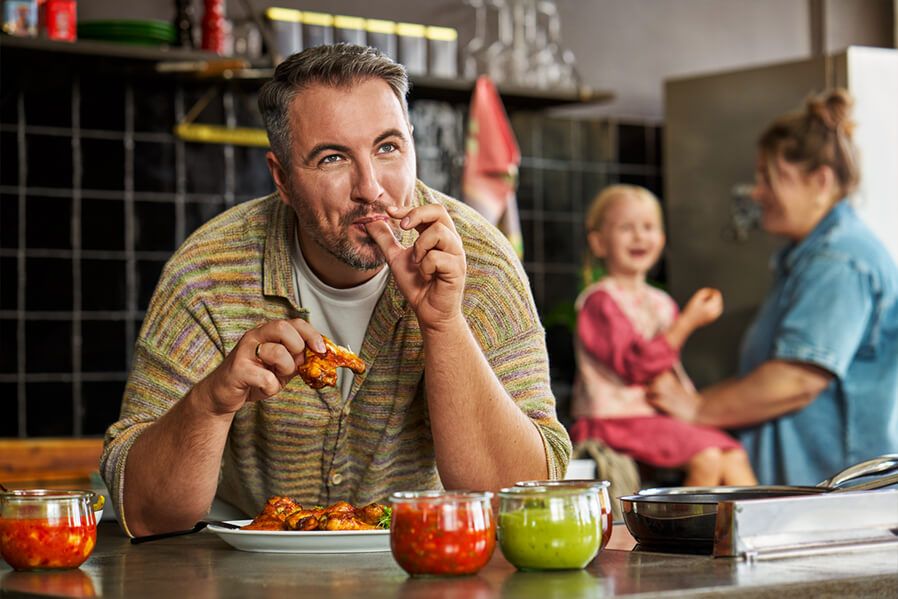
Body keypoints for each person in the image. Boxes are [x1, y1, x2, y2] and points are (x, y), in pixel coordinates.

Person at [100, 43, 571, 537]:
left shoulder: (481, 262)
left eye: (388, 148)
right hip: (240, 575)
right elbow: (144, 514)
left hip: (425, 565)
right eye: (332, 158)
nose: (371, 187)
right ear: (282, 179)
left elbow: (526, 499)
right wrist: (213, 401)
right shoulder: (207, 272)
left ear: (412, 145)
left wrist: (444, 323)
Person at [649, 89, 898, 486]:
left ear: (821, 181)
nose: (757, 192)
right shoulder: (807, 256)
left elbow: (796, 380)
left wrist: (697, 408)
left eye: (770, 177)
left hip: (838, 504)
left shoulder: (839, 260)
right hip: (808, 500)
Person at [569, 184, 758, 486]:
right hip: (613, 420)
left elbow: (667, 370)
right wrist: (687, 323)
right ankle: (682, 533)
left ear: (661, 239)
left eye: (648, 227)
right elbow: (635, 366)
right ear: (599, 242)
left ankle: (765, 529)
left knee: (732, 453)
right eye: (626, 228)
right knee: (708, 455)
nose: (639, 236)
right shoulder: (599, 302)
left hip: (653, 418)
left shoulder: (661, 303)